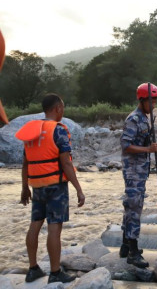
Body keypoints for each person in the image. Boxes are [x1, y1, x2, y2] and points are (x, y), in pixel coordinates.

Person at [16, 93, 85, 283]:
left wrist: (24, 188)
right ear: (57, 109)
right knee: (54, 228)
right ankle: (55, 273)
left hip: (37, 185)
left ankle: (33, 269)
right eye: (62, 107)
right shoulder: (59, 130)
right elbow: (66, 163)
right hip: (56, 186)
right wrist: (78, 189)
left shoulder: (32, 131)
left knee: (35, 224)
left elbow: (25, 163)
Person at [119, 83, 157, 268]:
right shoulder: (134, 119)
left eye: (156, 102)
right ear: (142, 100)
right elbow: (125, 144)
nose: (154, 105)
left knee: (131, 206)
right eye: (152, 101)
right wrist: (148, 149)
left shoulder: (144, 118)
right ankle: (133, 252)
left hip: (140, 169)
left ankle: (125, 245)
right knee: (134, 208)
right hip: (133, 170)